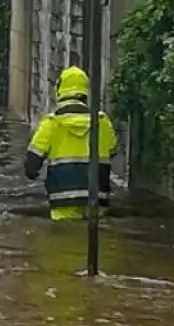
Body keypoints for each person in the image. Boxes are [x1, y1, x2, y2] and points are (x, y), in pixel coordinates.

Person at [25, 65, 118, 221]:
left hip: (62, 201)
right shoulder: (102, 121)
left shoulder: (51, 123)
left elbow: (31, 167)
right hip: (96, 199)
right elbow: (113, 152)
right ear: (85, 91)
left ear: (60, 90)